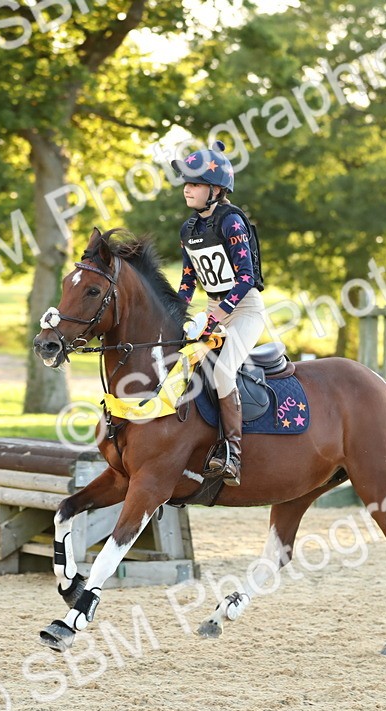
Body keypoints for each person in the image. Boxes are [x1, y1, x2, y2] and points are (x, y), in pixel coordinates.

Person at [172, 141, 266, 486]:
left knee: (223, 373)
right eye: (186, 183)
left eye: (194, 184)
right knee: (174, 359)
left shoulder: (232, 222)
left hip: (244, 309)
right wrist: (175, 312)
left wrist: (221, 313)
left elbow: (246, 277)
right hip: (213, 308)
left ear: (215, 190)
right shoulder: (189, 229)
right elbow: (187, 281)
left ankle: (233, 455)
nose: (187, 189)